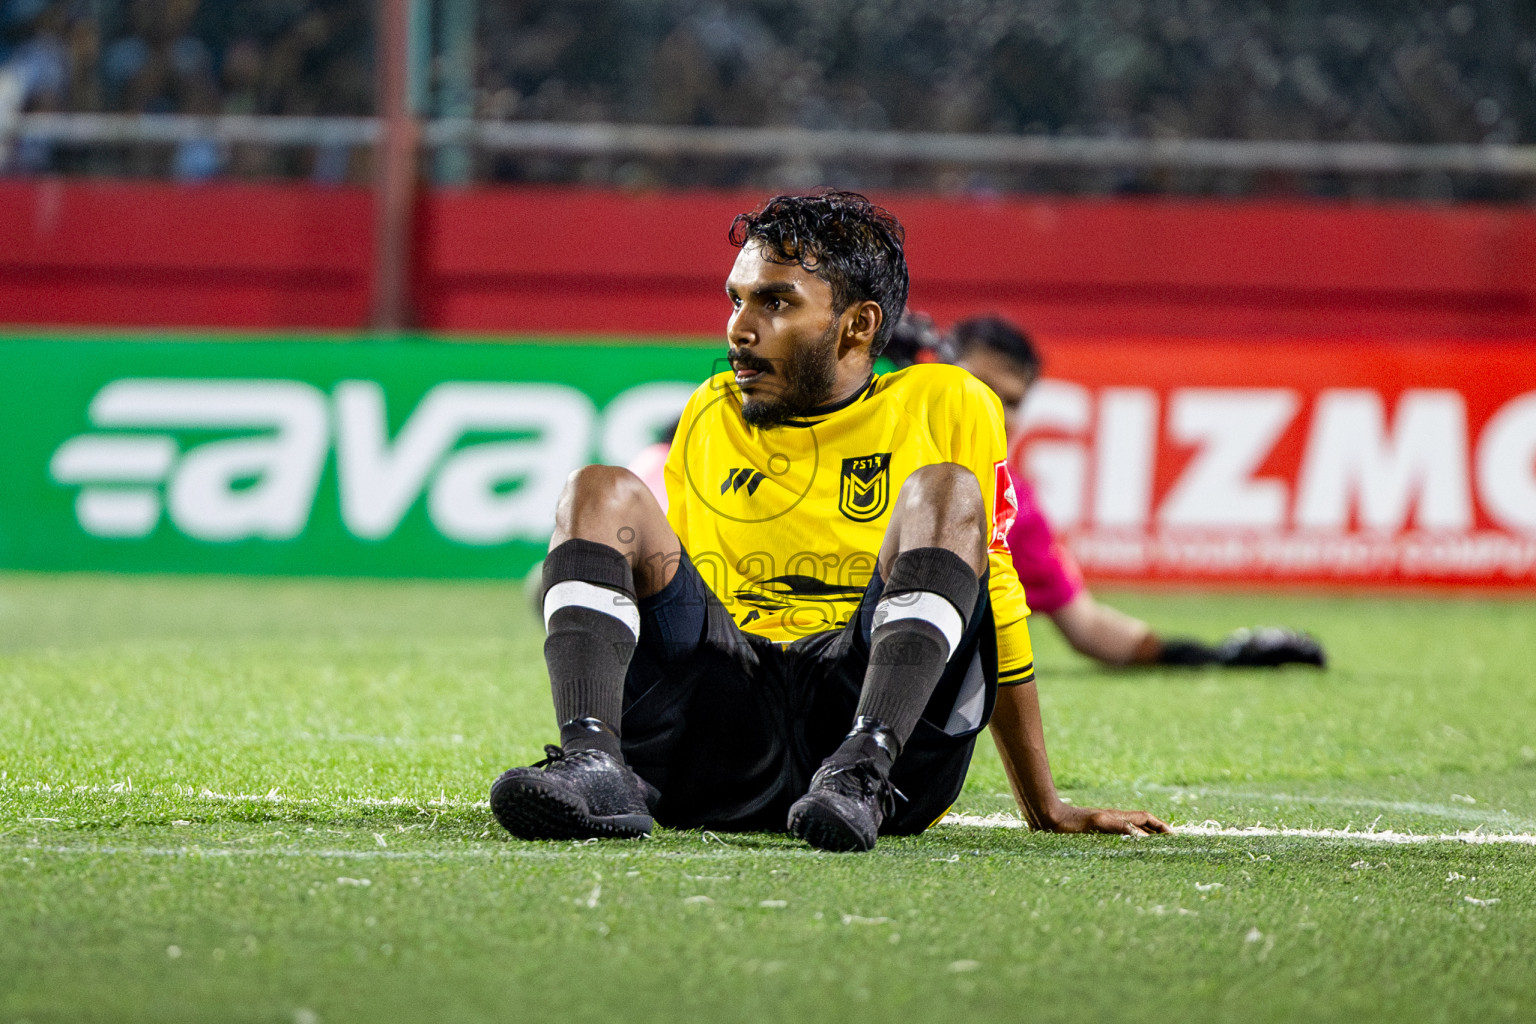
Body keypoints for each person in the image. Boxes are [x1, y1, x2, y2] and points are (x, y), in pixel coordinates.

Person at [492, 191, 1169, 852]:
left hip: (882, 750)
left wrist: (1042, 802)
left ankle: (862, 768)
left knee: (949, 492)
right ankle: (594, 766)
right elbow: (690, 618)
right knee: (597, 490)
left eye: (777, 302)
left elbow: (996, 597)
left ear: (859, 324)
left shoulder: (948, 402)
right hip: (721, 745)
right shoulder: (710, 410)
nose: (740, 327)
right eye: (738, 298)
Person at [886, 313, 1326, 669]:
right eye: (978, 386)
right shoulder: (878, 414)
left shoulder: (1015, 511)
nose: (993, 409)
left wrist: (1218, 655)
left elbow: (1089, 627)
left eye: (1013, 400)